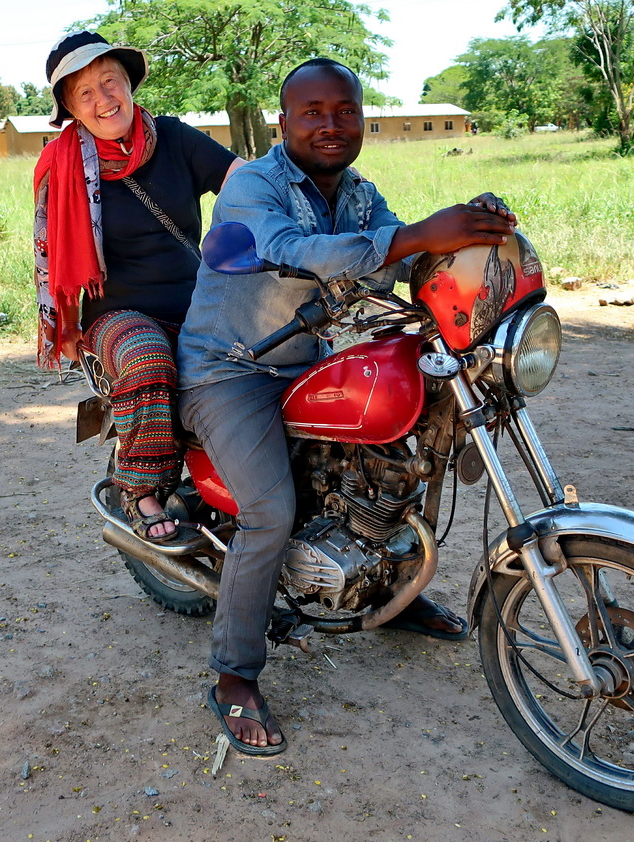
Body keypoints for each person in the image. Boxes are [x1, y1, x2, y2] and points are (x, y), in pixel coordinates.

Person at [175, 58, 517, 755]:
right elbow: (292, 249)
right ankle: (234, 676)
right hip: (230, 368)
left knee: (415, 439)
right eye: (313, 112)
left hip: (312, 353)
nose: (331, 125)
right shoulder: (252, 187)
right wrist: (422, 233)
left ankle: (390, 590)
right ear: (284, 122)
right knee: (269, 512)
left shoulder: (360, 194)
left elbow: (395, 257)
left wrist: (466, 239)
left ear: (363, 118)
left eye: (345, 111)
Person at [33, 31, 244, 543]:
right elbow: (50, 260)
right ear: (69, 108)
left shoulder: (173, 138)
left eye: (111, 82)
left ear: (129, 83)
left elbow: (244, 179)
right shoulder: (59, 168)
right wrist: (64, 324)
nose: (104, 100)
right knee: (147, 354)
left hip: (202, 304)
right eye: (85, 93)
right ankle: (141, 490)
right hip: (118, 316)